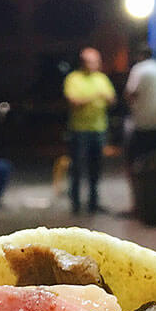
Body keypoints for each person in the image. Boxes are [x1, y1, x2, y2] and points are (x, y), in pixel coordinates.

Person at [62, 46, 116, 214]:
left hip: (99, 128)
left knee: (96, 166)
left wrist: (104, 98)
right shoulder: (73, 78)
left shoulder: (102, 78)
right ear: (83, 62)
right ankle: (76, 204)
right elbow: (73, 101)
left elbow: (112, 99)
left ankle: (93, 203)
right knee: (77, 167)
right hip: (79, 130)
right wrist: (94, 97)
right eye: (91, 61)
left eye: (96, 62)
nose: (94, 65)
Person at [123, 43, 156, 169]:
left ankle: (140, 183)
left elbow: (130, 94)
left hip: (144, 125)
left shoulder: (139, 69)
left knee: (137, 160)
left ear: (140, 56)